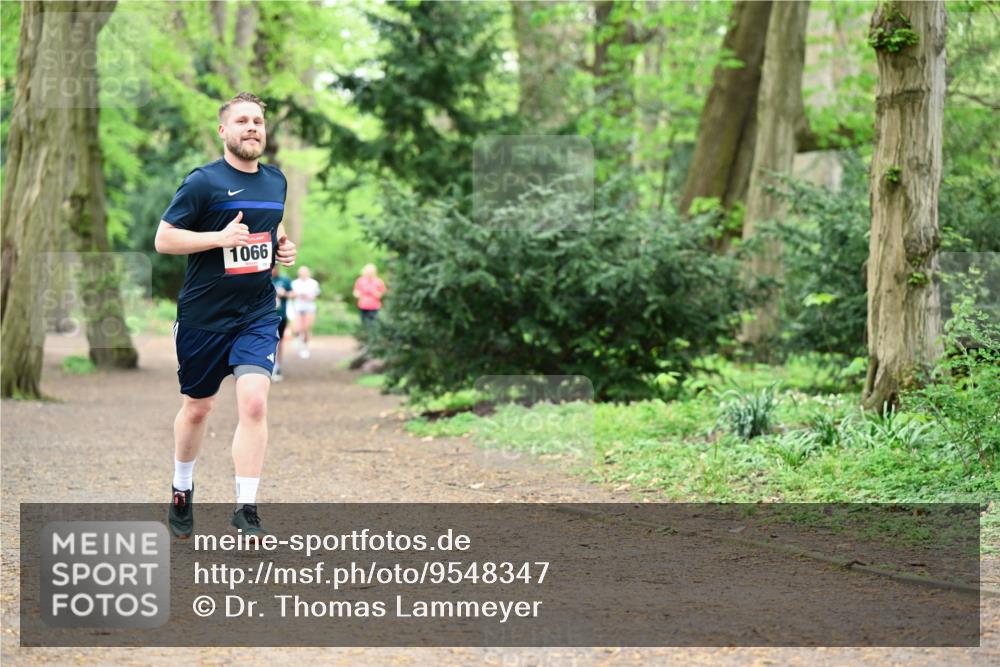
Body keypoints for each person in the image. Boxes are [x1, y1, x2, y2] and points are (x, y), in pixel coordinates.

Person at [154, 92, 296, 539]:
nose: (252, 127)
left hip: (256, 312)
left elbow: (272, 231)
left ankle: (246, 506)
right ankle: (181, 488)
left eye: (258, 121)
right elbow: (164, 240)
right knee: (198, 408)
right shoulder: (203, 183)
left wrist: (283, 246)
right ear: (223, 131)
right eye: (242, 121)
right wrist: (218, 238)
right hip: (203, 316)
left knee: (254, 400)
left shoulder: (276, 181)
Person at [290, 266, 320, 358]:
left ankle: (305, 347)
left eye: (304, 273)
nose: (302, 275)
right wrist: (296, 294)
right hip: (298, 307)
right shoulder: (294, 283)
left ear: (308, 273)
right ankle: (297, 339)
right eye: (301, 273)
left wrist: (309, 296)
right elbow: (291, 294)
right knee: (298, 328)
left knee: (306, 328)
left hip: (309, 307)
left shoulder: (313, 283)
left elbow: (316, 295)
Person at [271, 265, 294, 381]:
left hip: (281, 316)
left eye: (275, 268)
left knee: (279, 342)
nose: (273, 270)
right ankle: (268, 366)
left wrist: (284, 293)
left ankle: (278, 367)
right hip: (266, 317)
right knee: (269, 342)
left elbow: (293, 294)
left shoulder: (284, 280)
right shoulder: (264, 279)